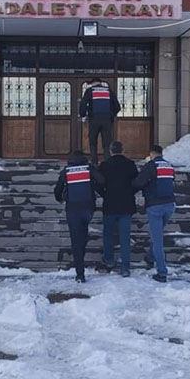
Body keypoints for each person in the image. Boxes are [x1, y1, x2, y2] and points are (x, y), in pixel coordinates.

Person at [54, 150, 105, 283]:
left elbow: (57, 189)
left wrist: (60, 198)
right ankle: (81, 252)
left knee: (76, 240)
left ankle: (80, 274)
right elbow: (102, 180)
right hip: (88, 208)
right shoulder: (88, 169)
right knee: (82, 234)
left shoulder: (67, 171)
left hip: (72, 209)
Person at [132, 145, 176, 283]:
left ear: (151, 154)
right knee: (157, 234)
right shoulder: (169, 166)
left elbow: (139, 182)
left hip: (155, 206)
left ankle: (162, 272)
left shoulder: (151, 166)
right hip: (170, 205)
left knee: (157, 240)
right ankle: (150, 257)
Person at [97, 141, 139, 277]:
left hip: (110, 204)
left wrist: (105, 194)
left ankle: (109, 259)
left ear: (110, 151)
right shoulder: (130, 165)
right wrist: (130, 193)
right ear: (123, 150)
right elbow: (137, 182)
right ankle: (125, 267)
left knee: (108, 234)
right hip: (126, 205)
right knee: (125, 237)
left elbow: (98, 182)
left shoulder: (104, 165)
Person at [79, 78, 121, 165]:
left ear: (93, 83)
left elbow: (83, 104)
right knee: (106, 143)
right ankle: (107, 162)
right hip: (107, 120)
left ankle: (94, 163)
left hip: (94, 119)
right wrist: (111, 115)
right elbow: (117, 106)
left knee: (93, 142)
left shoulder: (90, 91)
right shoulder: (109, 91)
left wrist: (83, 115)